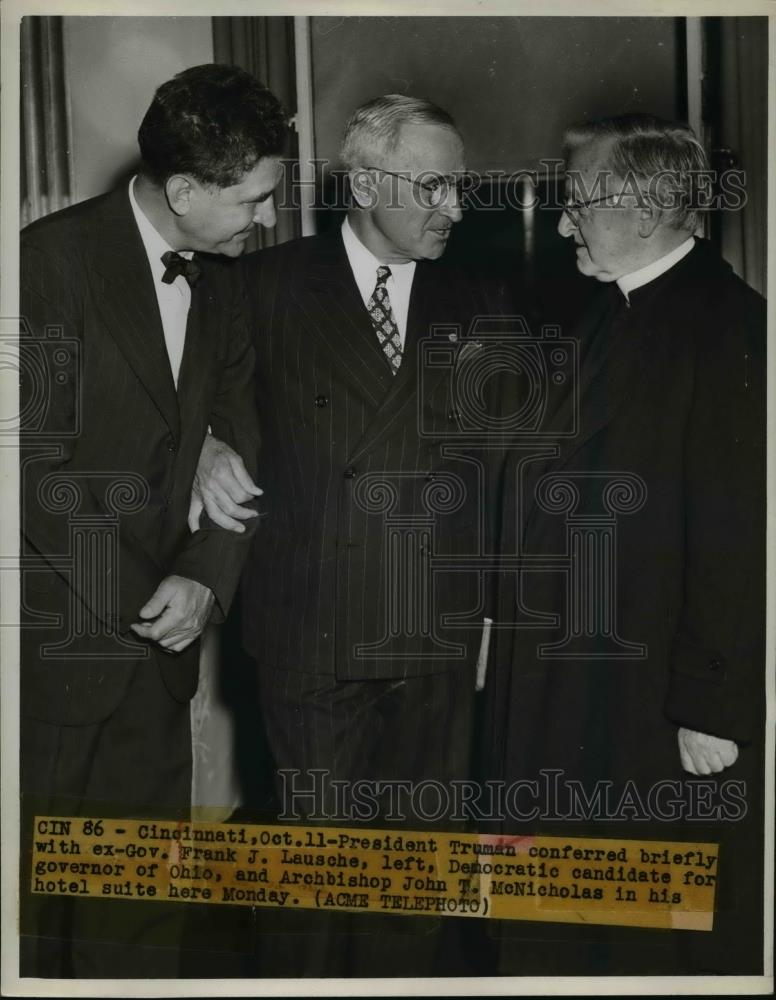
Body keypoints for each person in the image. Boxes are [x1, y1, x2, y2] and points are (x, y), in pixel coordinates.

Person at [193, 93, 510, 975]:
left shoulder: (482, 298)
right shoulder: (261, 287)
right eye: (435, 185)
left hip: (436, 640)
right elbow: (195, 410)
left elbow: (508, 471)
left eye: (461, 186)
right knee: (313, 878)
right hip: (313, 634)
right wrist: (205, 448)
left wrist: (491, 616)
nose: (455, 207)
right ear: (366, 181)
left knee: (414, 880)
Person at [19, 63, 285, 977]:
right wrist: (148, 593)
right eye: (252, 198)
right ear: (182, 190)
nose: (266, 218)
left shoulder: (226, 281)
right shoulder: (42, 265)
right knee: (30, 921)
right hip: (52, 654)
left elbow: (240, 437)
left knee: (137, 915)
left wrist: (207, 574)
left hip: (162, 660)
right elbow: (28, 470)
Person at [486, 113, 766, 975]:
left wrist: (712, 708)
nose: (565, 222)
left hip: (650, 700)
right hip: (573, 678)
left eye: (578, 203)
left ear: (643, 213)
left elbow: (741, 532)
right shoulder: (607, 310)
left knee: (643, 938)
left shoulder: (730, 330)